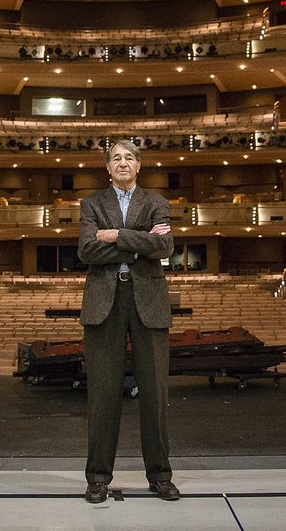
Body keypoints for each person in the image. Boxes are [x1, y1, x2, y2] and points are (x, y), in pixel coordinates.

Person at [77, 139, 179, 503]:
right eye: (116, 158)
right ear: (107, 167)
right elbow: (87, 249)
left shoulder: (156, 202)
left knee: (155, 393)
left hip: (148, 302)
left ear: (139, 165)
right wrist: (140, 243)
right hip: (104, 302)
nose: (123, 163)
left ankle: (160, 475)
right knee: (102, 394)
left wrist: (117, 236)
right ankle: (98, 478)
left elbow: (165, 247)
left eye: (129, 157)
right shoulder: (91, 203)